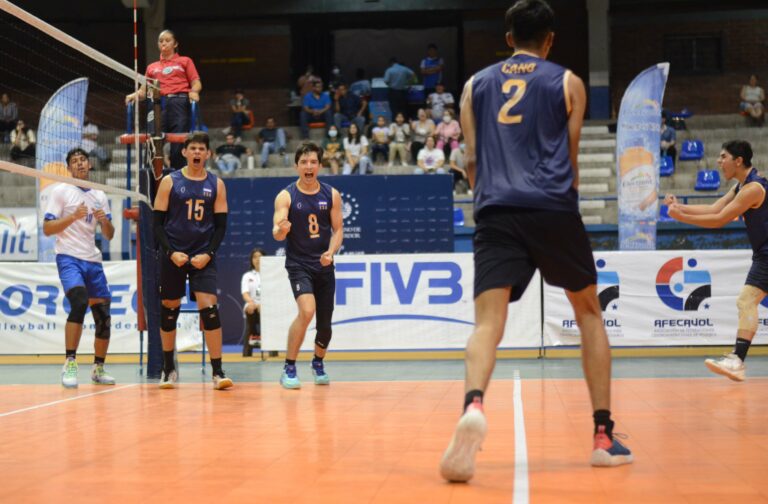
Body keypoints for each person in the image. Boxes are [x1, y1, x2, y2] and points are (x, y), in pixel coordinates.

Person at [439, 0, 633, 483]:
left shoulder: (473, 86)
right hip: (551, 208)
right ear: (549, 39)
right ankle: (603, 437)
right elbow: (567, 157)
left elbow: (470, 161)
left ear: (508, 38)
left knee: (488, 322)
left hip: (496, 209)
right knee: (588, 311)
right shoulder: (568, 82)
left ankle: (474, 404)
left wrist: (490, 196)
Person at [666, 140, 765, 382]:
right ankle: (737, 360)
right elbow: (714, 207)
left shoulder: (753, 188)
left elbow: (719, 219)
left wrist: (681, 217)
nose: (719, 162)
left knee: (746, 300)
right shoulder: (740, 186)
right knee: (747, 301)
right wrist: (681, 208)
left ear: (738, 161)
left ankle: (737, 360)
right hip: (763, 253)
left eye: (723, 157)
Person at [153, 131, 233, 390]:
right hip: (174, 254)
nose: (197, 153)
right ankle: (168, 369)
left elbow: (221, 227)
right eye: (193, 149)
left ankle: (218, 372)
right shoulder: (170, 181)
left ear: (208, 154)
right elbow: (157, 223)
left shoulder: (216, 184)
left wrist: (208, 254)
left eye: (202, 149)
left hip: (202, 254)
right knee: (169, 310)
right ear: (184, 152)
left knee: (209, 310)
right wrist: (170, 252)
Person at [272, 142, 344, 389]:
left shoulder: (331, 194)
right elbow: (276, 232)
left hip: (324, 264)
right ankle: (289, 367)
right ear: (296, 166)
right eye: (304, 162)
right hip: (299, 263)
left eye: (313, 162)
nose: (309, 166)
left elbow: (338, 230)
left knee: (325, 325)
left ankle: (317, 362)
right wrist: (281, 229)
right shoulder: (286, 195)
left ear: (320, 166)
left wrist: (331, 252)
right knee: (306, 311)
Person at [42, 148, 116, 388]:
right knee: (79, 301)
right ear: (69, 168)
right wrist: (72, 217)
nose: (80, 164)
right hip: (68, 257)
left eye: (83, 160)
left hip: (92, 260)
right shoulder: (61, 191)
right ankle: (70, 362)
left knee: (103, 317)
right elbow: (47, 228)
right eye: (74, 161)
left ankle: (98, 368)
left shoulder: (99, 195)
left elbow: (109, 235)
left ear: (89, 164)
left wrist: (104, 220)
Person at [125, 29, 202, 170]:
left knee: (178, 146)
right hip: (156, 105)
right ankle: (150, 181)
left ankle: (178, 180)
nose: (164, 43)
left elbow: (196, 82)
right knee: (152, 144)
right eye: (161, 41)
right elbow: (143, 91)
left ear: (175, 44)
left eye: (167, 40)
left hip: (179, 103)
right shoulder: (152, 67)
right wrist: (134, 95)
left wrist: (194, 91)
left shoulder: (185, 61)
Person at [241, 248, 264, 356]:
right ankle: (248, 350)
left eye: (260, 256)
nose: (257, 259)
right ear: (251, 260)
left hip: (266, 306)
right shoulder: (247, 276)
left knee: (264, 310)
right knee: (250, 309)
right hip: (252, 304)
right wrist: (252, 303)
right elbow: (245, 293)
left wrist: (262, 305)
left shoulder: (270, 275)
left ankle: (257, 336)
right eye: (255, 257)